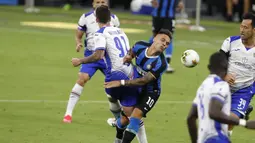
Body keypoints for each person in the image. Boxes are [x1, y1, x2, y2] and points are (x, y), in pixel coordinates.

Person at [71, 5, 148, 143]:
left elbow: (98, 55)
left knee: (114, 99)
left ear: (96, 19)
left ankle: (119, 120)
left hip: (115, 76)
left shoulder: (99, 33)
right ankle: (121, 123)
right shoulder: (121, 31)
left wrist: (80, 60)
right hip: (131, 74)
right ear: (110, 17)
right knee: (133, 116)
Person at [104, 29, 172, 143]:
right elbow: (132, 51)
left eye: (167, 43)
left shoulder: (161, 63)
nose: (164, 44)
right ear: (155, 38)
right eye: (163, 40)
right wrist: (129, 56)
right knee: (124, 120)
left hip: (151, 92)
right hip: (136, 87)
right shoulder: (140, 45)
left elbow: (144, 81)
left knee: (135, 117)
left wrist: (121, 83)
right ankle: (118, 137)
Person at [63, 0, 120, 123]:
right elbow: (78, 35)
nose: (100, 3)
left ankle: (120, 119)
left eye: (103, 1)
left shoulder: (114, 19)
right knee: (82, 78)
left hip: (108, 57)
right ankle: (68, 114)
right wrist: (78, 43)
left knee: (116, 85)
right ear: (93, 4)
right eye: (97, 1)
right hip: (91, 55)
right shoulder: (86, 17)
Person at [187, 52, 255, 143]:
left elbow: (190, 118)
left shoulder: (202, 87)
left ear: (209, 67)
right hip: (217, 138)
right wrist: (244, 123)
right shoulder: (221, 85)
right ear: (227, 68)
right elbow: (213, 112)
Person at [219, 12, 255, 135]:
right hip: (223, 87)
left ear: (254, 29)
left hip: (244, 90)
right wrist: (225, 75)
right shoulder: (230, 42)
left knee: (229, 121)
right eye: (241, 26)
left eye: (246, 27)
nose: (242, 30)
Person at [149, 0, 184, 73]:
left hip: (169, 16)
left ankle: (167, 64)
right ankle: (149, 59)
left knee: (168, 38)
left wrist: (180, 2)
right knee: (155, 37)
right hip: (157, 14)